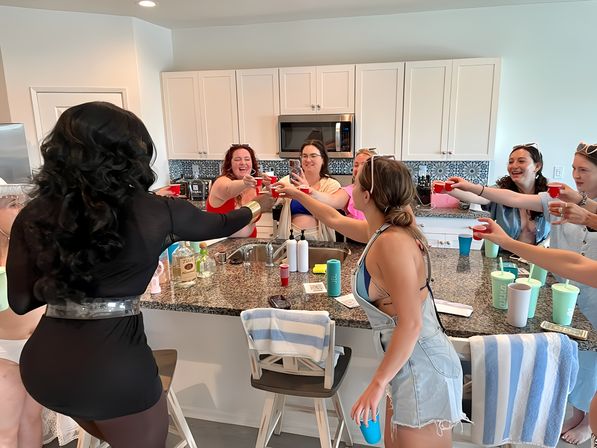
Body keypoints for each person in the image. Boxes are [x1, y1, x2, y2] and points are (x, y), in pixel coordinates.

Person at [6, 102, 271, 448]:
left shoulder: (32, 214)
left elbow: (22, 301)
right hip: (115, 372)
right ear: (129, 155)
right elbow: (220, 223)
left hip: (45, 370)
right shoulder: (158, 212)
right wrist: (256, 205)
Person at [276, 156, 464, 447]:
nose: (351, 186)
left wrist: (376, 384)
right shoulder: (380, 231)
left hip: (423, 367)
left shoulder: (392, 243)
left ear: (365, 195)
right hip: (405, 364)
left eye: (356, 182)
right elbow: (334, 218)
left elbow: (411, 324)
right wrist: (296, 193)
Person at [450, 141, 597, 445]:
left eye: (584, 170)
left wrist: (587, 211)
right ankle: (575, 411)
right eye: (573, 168)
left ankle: (583, 417)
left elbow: (578, 262)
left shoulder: (583, 207)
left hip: (590, 291)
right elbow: (513, 197)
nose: (576, 175)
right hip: (563, 283)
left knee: (591, 357)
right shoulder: (559, 200)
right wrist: (476, 188)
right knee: (567, 350)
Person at [447, 143, 550, 244]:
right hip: (501, 257)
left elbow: (558, 227)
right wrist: (449, 189)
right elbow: (478, 197)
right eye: (510, 162)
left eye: (521, 161)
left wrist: (544, 244)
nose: (514, 166)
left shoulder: (548, 195)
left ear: (537, 166)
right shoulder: (500, 190)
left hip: (535, 258)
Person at [277, 140, 341, 241]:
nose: (308, 159)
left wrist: (307, 190)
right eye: (304, 156)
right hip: (290, 237)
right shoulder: (289, 181)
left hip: (320, 239)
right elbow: (274, 199)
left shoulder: (331, 184)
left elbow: (329, 211)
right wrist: (269, 190)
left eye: (313, 155)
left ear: (323, 159)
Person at [206, 144, 268, 237]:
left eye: (247, 159)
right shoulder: (221, 181)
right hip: (222, 246)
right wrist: (244, 183)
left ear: (252, 163)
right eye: (237, 159)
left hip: (249, 244)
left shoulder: (255, 186)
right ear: (229, 164)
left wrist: (270, 187)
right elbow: (229, 188)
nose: (243, 162)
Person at [308, 148, 375, 221]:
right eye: (356, 165)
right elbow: (333, 199)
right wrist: (312, 192)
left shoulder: (383, 191)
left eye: (363, 165)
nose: (358, 169)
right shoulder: (350, 190)